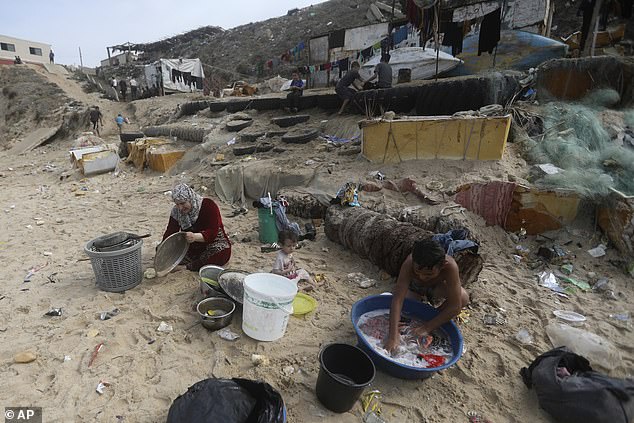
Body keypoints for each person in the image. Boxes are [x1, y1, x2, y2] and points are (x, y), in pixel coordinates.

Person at [384, 238, 469, 354]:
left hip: (436, 288)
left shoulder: (450, 267)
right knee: (405, 308)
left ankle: (430, 318)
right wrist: (393, 337)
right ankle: (423, 317)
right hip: (414, 288)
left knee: (463, 297)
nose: (422, 277)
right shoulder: (410, 263)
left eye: (428, 274)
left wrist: (427, 327)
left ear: (443, 265)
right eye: (417, 272)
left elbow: (455, 307)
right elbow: (398, 299)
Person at [162, 183, 231, 271]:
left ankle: (187, 267)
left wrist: (195, 237)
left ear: (190, 199)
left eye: (183, 203)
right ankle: (194, 262)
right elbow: (170, 232)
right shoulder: (176, 212)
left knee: (221, 253)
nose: (180, 208)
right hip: (191, 247)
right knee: (164, 250)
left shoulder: (208, 205)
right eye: (177, 204)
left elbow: (212, 232)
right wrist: (163, 249)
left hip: (213, 242)